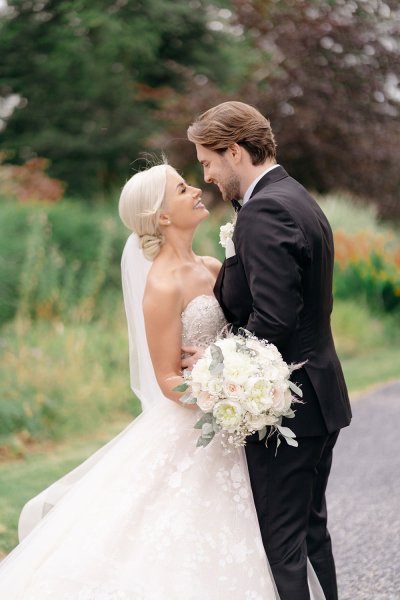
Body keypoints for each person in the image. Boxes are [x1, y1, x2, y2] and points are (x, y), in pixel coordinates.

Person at [0, 163, 326, 599]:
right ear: (163, 217)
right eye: (181, 188)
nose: (196, 189)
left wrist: (235, 375)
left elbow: (244, 330)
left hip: (237, 422)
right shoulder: (161, 286)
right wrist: (216, 389)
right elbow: (168, 379)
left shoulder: (214, 265)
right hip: (204, 424)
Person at [186, 101, 352, 600]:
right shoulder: (296, 196)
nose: (209, 176)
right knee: (308, 533)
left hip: (289, 407)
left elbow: (273, 321)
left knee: (280, 546)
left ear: (234, 151)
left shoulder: (265, 209)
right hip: (318, 395)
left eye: (208, 163)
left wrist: (217, 365)